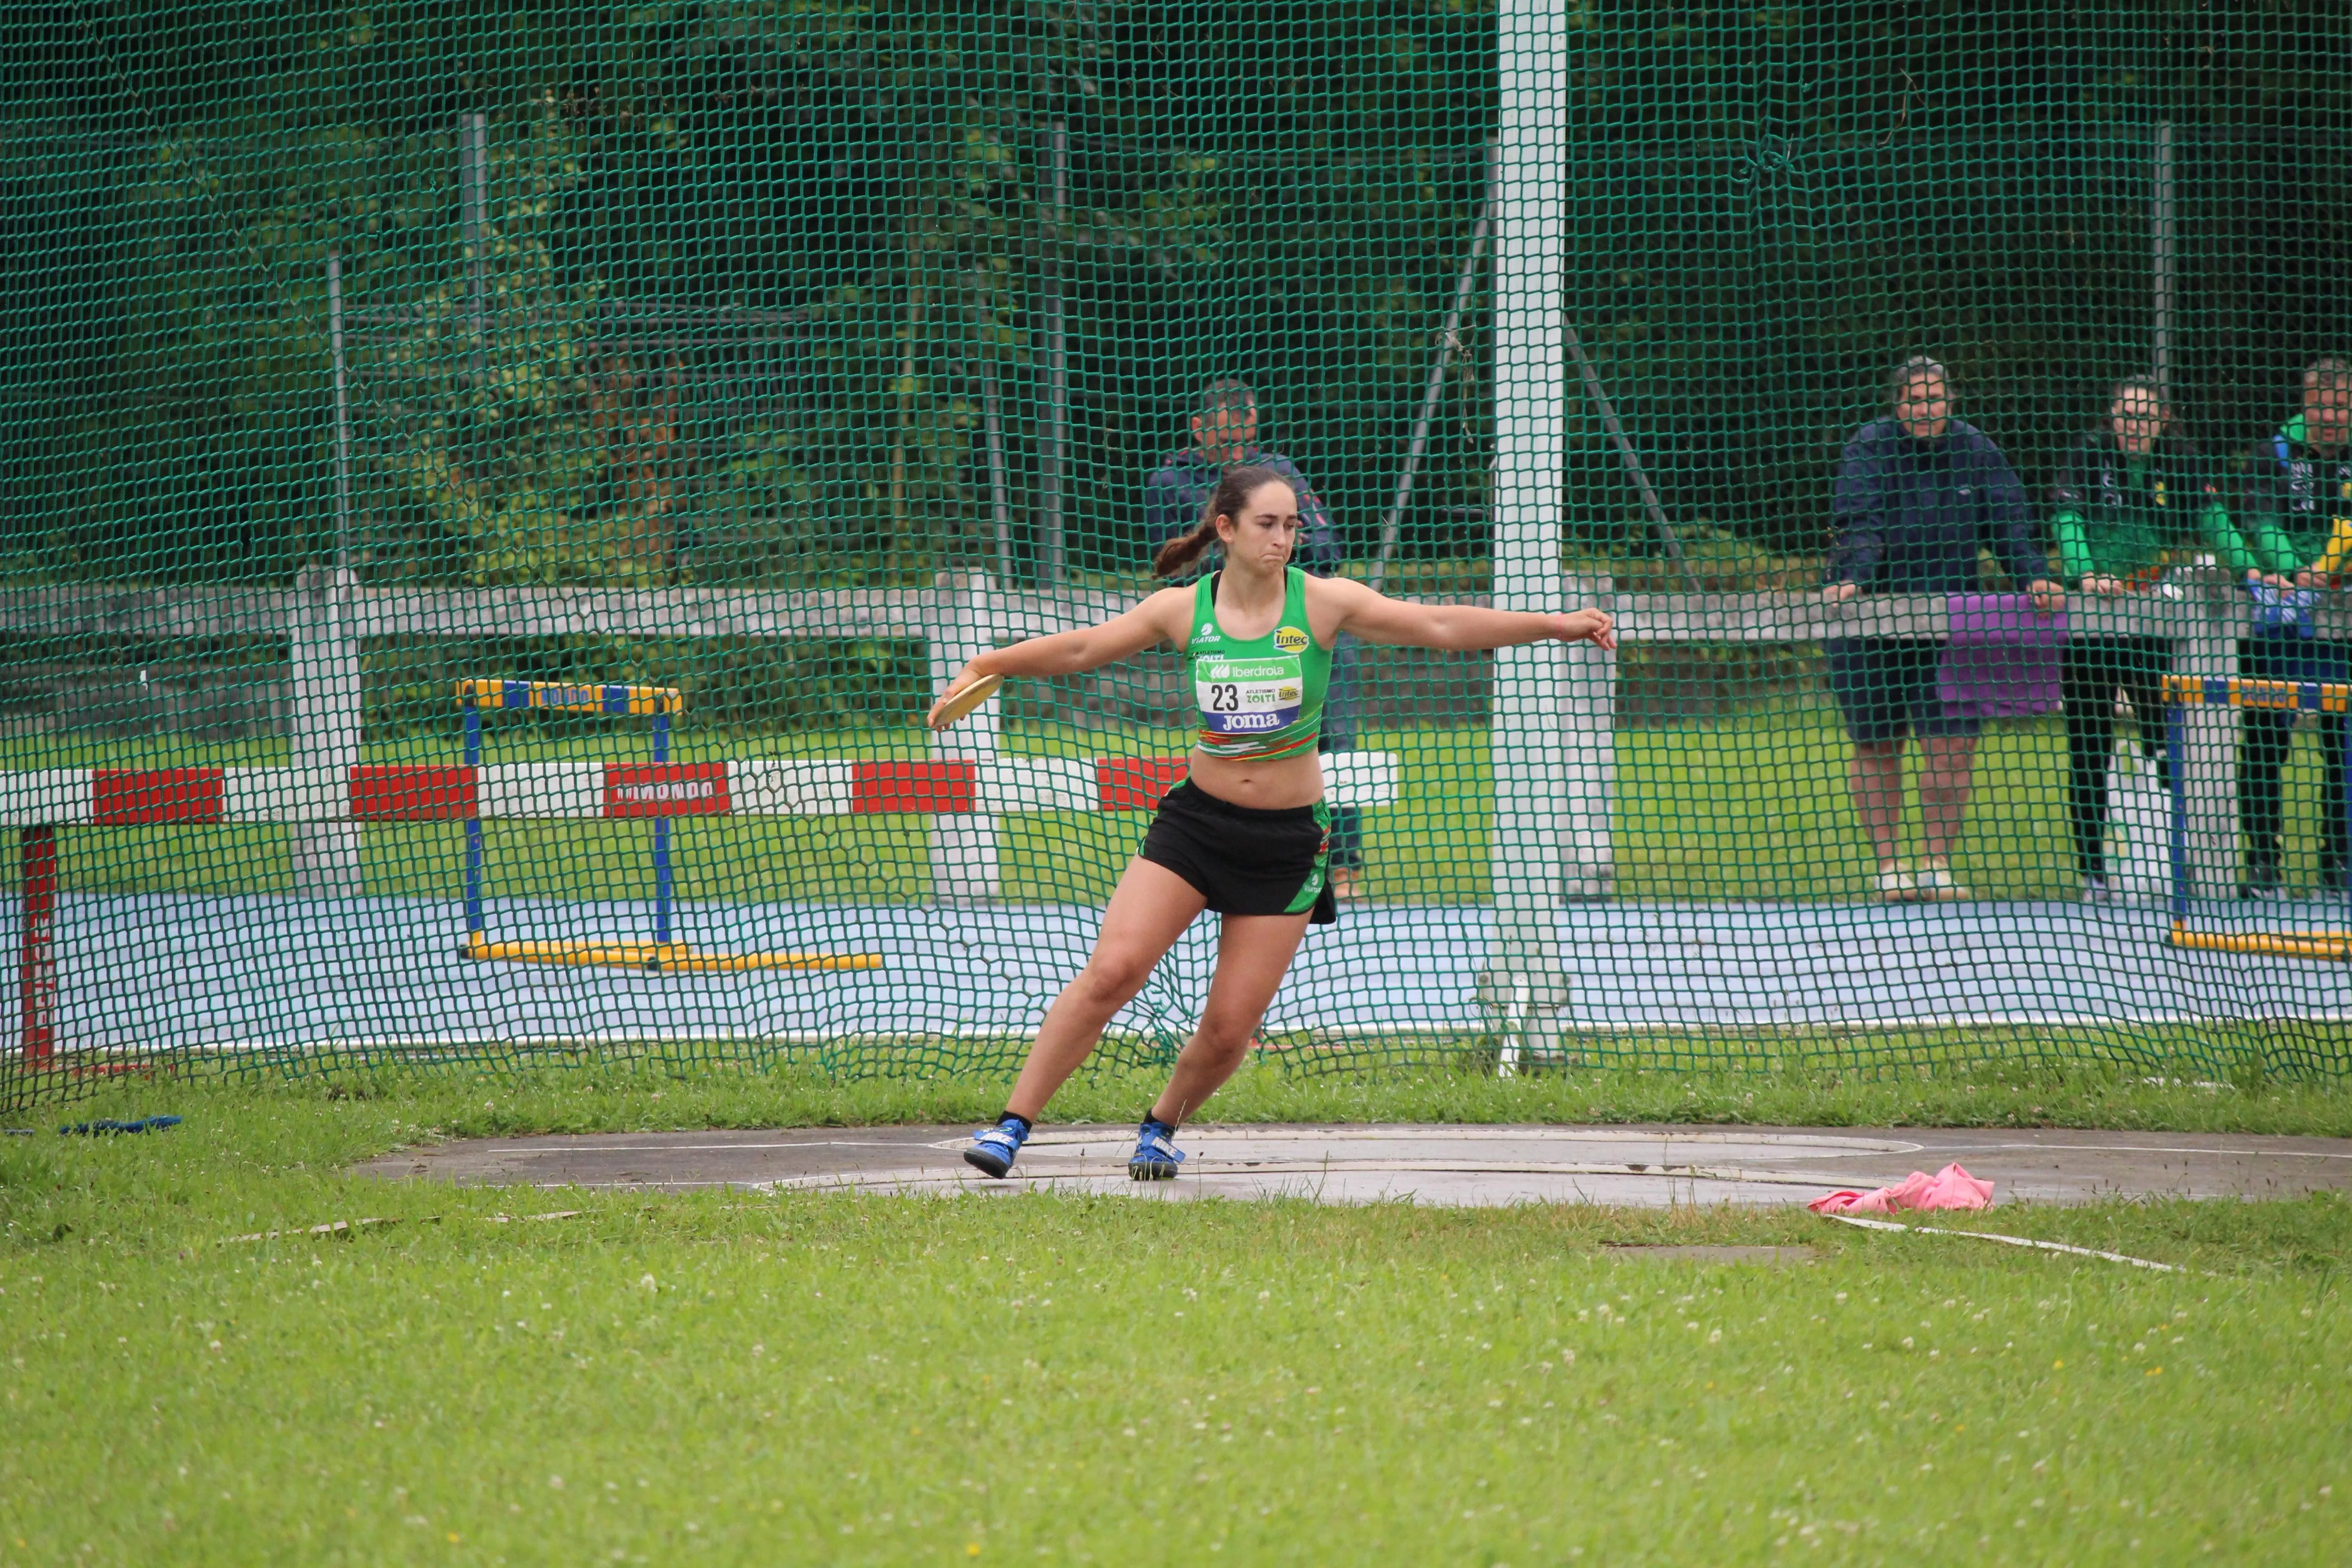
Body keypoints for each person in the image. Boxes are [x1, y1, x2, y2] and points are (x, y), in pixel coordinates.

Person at [950, 465, 1615, 1180]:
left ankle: (1161, 1124)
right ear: (1227, 529)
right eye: (1268, 524)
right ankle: (1012, 1127)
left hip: (1287, 842)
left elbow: (1440, 624)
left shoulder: (1323, 604)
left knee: (1231, 1027)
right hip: (1195, 827)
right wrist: (989, 662)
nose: (1285, 538)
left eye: (1294, 524)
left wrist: (1554, 625)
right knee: (1114, 970)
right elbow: (1082, 647)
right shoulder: (1182, 609)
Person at [1823, 356, 2061, 902]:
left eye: (1933, 399)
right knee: (1877, 743)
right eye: (1913, 400)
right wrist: (1854, 577)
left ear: (1949, 401)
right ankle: (1889, 869)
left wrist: (2034, 578)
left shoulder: (1976, 451)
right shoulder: (1869, 446)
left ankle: (1935, 863)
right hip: (1870, 622)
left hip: (1954, 624)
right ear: (1896, 404)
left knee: (1951, 747)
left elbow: (2008, 526)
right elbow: (1859, 519)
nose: (1923, 410)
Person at [1147, 379, 1368, 897]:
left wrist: (1276, 553)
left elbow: (1326, 547)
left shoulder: (1277, 472)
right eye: (1226, 435)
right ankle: (1238, 857)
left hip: (1300, 626)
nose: (1238, 447)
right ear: (1199, 428)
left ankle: (1343, 866)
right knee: (1242, 746)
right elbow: (1171, 565)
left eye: (1245, 432)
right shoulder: (1169, 481)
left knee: (1334, 742)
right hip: (1231, 636)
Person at [2050, 378, 2266, 902]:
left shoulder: (2180, 460)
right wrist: (2083, 574)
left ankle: (2175, 859)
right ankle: (2092, 870)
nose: (2134, 426)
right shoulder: (2087, 454)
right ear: (2111, 415)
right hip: (2092, 622)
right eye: (2126, 415)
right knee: (2088, 745)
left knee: (2165, 740)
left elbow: (2213, 520)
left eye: (2145, 417)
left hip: (2154, 622)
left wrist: (2253, 571)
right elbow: (2066, 516)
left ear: (2163, 419)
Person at [2234, 355, 2352, 897]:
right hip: (2278, 618)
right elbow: (2258, 520)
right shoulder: (2271, 454)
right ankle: (2262, 861)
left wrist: (2326, 574)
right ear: (2304, 402)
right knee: (2263, 742)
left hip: (2341, 622)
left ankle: (2339, 864)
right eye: (2320, 403)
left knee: (2344, 742)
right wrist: (2292, 572)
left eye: (2339, 404)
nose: (2330, 415)